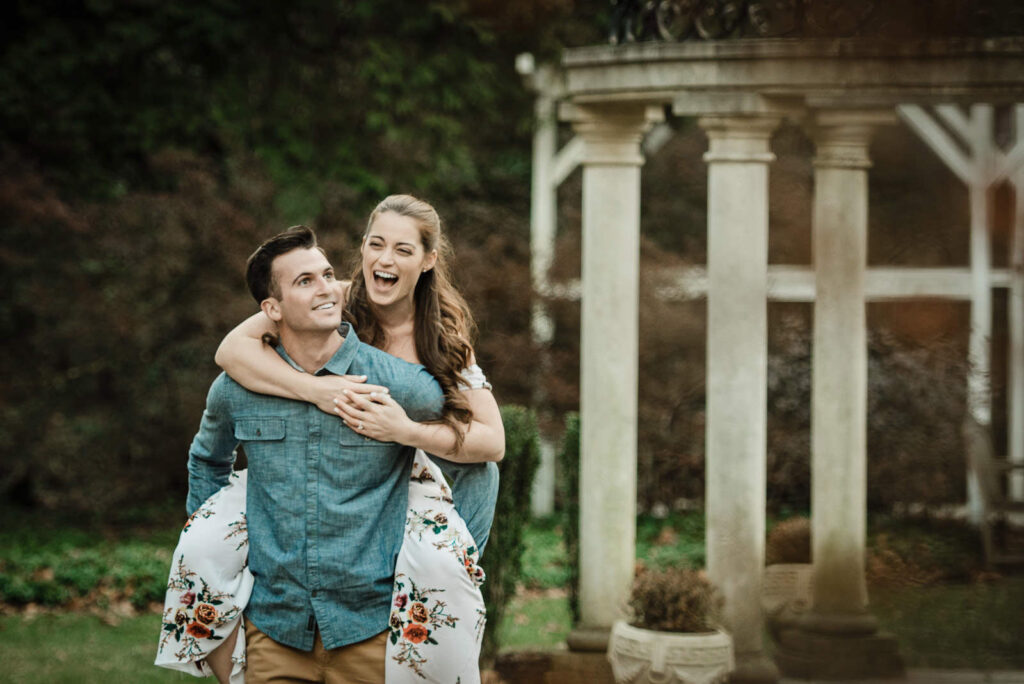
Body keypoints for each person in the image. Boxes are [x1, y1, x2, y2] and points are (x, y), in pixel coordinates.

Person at [156, 197, 502, 683]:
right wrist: (316, 389)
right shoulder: (335, 297)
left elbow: (489, 448)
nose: (385, 259)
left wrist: (403, 431)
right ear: (361, 249)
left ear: (428, 261)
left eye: (403, 249)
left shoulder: (439, 340)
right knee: (200, 547)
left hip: (397, 471)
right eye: (376, 244)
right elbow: (231, 350)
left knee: (441, 567)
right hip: (284, 493)